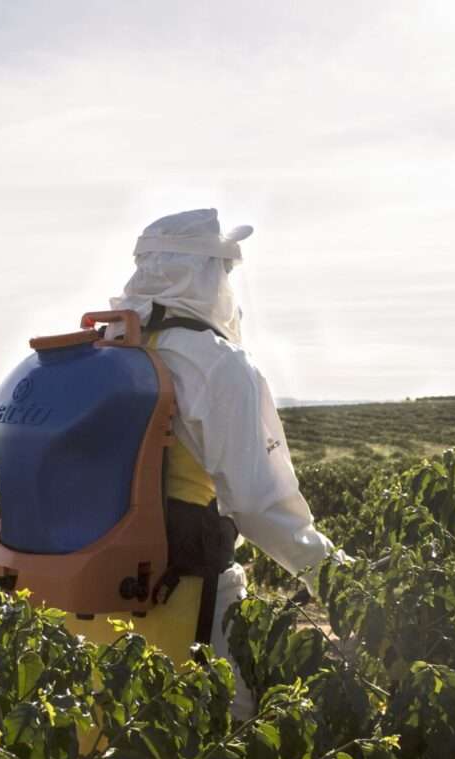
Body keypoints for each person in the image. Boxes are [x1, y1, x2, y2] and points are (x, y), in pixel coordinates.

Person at [106, 208, 342, 717]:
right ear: (208, 274)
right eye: (226, 272)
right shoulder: (213, 362)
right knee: (222, 746)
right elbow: (260, 506)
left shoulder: (106, 348)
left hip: (94, 588)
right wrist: (339, 581)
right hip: (187, 595)